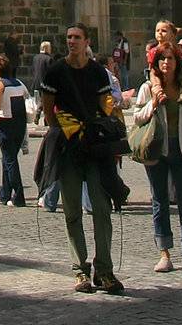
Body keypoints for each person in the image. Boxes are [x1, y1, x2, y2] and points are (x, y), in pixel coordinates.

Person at [41, 21, 125, 296]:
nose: (71, 41)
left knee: (101, 210)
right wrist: (66, 131)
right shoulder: (55, 71)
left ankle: (105, 270)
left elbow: (106, 107)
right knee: (73, 211)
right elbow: (48, 109)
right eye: (68, 37)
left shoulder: (98, 73)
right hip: (68, 149)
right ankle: (80, 270)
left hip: (94, 148)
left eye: (77, 37)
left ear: (87, 41)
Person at [133, 45, 182, 279]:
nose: (166, 62)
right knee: (159, 201)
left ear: (177, 62)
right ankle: (164, 254)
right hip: (157, 149)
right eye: (162, 59)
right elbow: (137, 117)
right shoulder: (148, 88)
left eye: (170, 58)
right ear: (156, 64)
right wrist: (153, 104)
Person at [0, 53, 29, 207]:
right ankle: (4, 193)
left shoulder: (0, 85)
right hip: (20, 124)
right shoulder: (19, 83)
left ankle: (19, 195)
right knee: (8, 158)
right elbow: (27, 97)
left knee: (10, 160)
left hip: (6, 123)